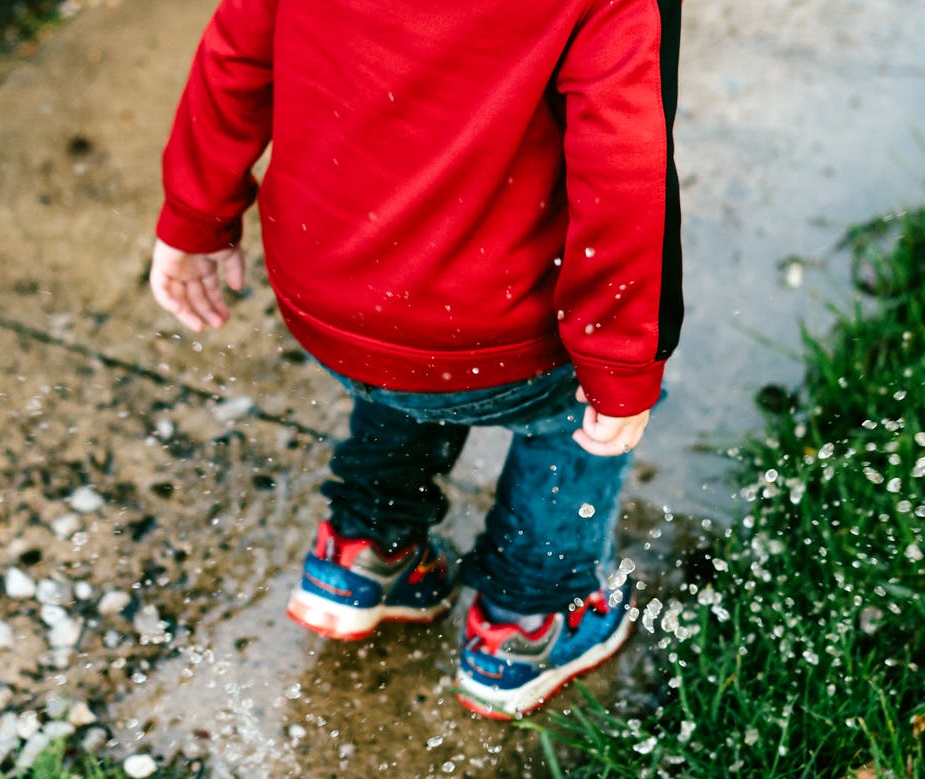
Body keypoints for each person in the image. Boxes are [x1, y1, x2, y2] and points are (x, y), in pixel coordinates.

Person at [150, 0, 684, 719]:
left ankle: (365, 549)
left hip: (331, 294)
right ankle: (530, 619)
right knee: (569, 419)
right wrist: (619, 362)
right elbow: (620, 164)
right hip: (495, 325)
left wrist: (195, 216)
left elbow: (236, 57)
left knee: (404, 359)